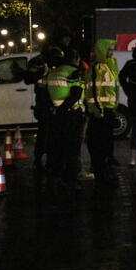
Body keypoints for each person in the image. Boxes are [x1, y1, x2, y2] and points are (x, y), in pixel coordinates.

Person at [46, 45, 85, 191]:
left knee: (57, 148)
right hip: (72, 115)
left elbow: (46, 94)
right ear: (75, 59)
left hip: (56, 117)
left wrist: (55, 110)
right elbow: (75, 95)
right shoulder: (74, 72)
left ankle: (55, 179)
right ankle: (71, 181)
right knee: (72, 150)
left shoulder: (53, 73)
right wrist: (62, 110)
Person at [21, 46, 65, 170]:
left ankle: (52, 160)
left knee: (55, 134)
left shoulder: (55, 63)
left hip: (55, 102)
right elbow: (29, 79)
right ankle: (39, 159)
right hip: (44, 103)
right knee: (44, 133)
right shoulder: (39, 63)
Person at [84, 39, 119, 184]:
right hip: (101, 113)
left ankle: (104, 170)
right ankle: (102, 172)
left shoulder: (108, 66)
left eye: (112, 50)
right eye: (108, 50)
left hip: (107, 111)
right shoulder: (98, 69)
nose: (111, 52)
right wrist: (99, 109)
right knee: (101, 144)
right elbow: (95, 90)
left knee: (105, 144)